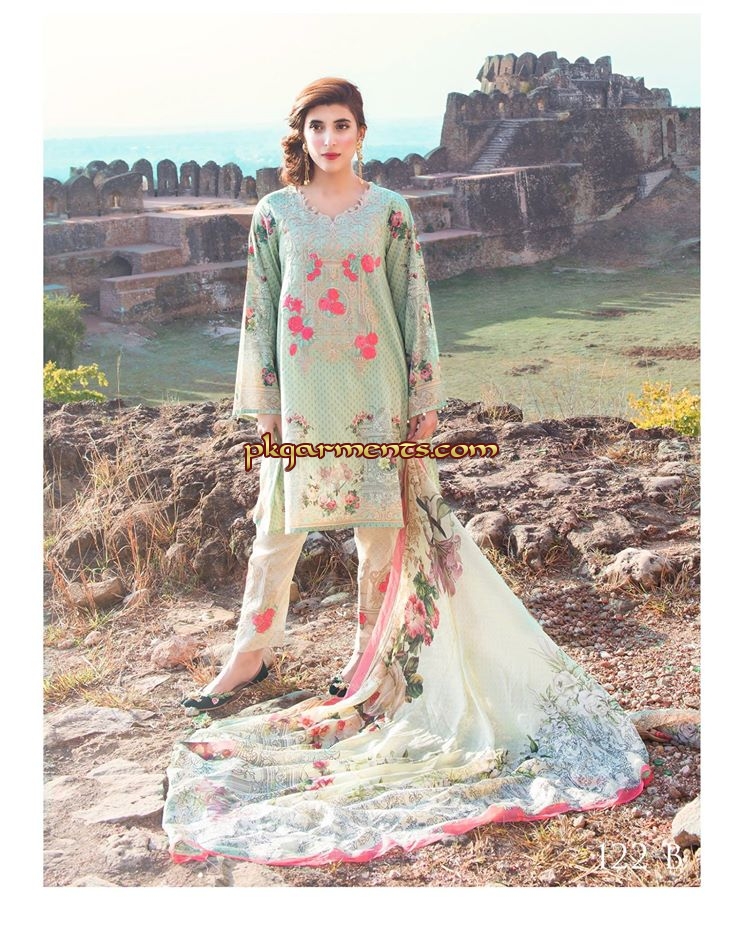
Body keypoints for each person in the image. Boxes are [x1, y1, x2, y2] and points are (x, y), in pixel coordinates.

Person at [164, 77, 654, 867]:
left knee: (379, 538)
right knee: (276, 530)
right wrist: (263, 406)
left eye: (342, 125)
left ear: (361, 133)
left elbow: (413, 303)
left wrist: (423, 396)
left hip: (376, 393)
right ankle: (249, 656)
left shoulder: (390, 211)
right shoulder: (274, 213)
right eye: (317, 126)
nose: (330, 138)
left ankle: (367, 662)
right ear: (302, 135)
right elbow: (259, 310)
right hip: (300, 401)